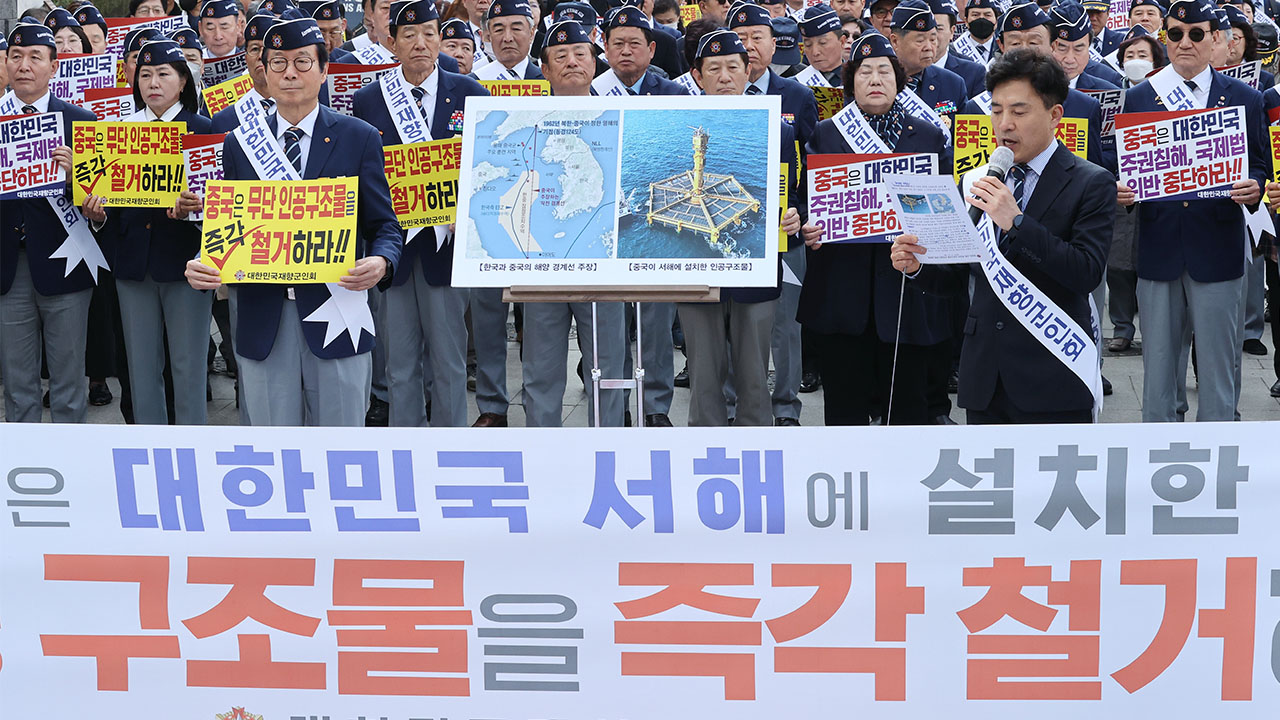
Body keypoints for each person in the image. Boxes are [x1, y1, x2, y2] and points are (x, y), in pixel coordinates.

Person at [184, 17, 403, 426]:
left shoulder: (359, 137)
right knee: (273, 451)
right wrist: (204, 260)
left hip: (337, 310)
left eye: (302, 62)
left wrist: (382, 262)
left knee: (341, 451)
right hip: (264, 315)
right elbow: (229, 225)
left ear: (324, 71)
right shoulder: (239, 144)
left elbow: (385, 226)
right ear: (263, 72)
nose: (289, 73)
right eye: (278, 63)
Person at [893, 49, 1114, 423]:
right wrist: (917, 267)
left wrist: (1018, 223)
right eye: (997, 111)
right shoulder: (979, 180)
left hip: (1054, 367)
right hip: (985, 375)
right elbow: (959, 275)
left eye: (1019, 111)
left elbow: (1085, 272)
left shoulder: (1090, 182)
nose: (1004, 124)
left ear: (1055, 115)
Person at [1118, 0, 1268, 422]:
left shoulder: (1244, 98)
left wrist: (1254, 185)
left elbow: (1260, 163)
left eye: (1196, 33)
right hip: (1159, 244)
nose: (1185, 42)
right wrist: (1123, 189)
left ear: (1216, 38)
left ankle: (1219, 447)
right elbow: (1123, 165)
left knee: (1220, 366)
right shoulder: (1140, 97)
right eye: (1175, 33)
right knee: (1159, 366)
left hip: (1218, 244)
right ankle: (1156, 448)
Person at [798, 32, 950, 426]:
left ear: (899, 82)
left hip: (905, 294)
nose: (876, 79)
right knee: (845, 415)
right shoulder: (827, 134)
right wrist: (808, 226)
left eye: (885, 71)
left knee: (906, 412)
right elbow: (804, 201)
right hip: (842, 295)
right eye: (865, 72)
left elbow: (944, 210)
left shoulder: (928, 137)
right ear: (851, 84)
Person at [352, 0, 488, 428]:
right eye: (408, 35)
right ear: (391, 41)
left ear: (440, 38)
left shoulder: (470, 94)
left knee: (449, 361)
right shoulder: (369, 99)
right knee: (399, 361)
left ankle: (450, 446)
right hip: (392, 248)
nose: (420, 43)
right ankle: (405, 448)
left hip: (444, 247)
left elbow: (487, 170)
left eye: (429, 33)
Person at [677, 28, 801, 427]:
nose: (725, 77)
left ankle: (757, 444)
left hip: (756, 267)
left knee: (753, 372)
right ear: (698, 76)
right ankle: (704, 444)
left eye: (734, 67)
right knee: (703, 371)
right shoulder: (681, 127)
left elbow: (793, 192)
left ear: (750, 71)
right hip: (695, 267)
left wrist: (795, 216)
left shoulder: (779, 130)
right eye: (714, 69)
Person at [89, 40, 212, 425]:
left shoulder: (202, 131)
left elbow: (223, 207)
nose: (153, 82)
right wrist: (99, 215)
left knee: (188, 367)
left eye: (163, 74)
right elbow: (110, 205)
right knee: (141, 371)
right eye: (144, 74)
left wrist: (194, 209)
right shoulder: (117, 133)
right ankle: (149, 452)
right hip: (132, 265)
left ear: (182, 81)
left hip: (185, 266)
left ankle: (194, 451)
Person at [519, 19, 628, 427]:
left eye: (580, 54)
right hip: (540, 263)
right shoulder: (521, 120)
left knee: (608, 368)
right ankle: (543, 451)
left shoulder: (622, 115)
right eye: (559, 56)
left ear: (595, 64)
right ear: (544, 70)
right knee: (541, 370)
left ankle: (608, 449)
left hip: (603, 262)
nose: (571, 62)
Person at [1, 24, 104, 423]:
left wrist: (79, 180)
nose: (24, 66)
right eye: (16, 56)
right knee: (18, 380)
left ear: (53, 66)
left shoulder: (81, 121)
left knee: (68, 379)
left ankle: (70, 467)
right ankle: (21, 470)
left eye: (35, 58)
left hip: (67, 262)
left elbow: (101, 206)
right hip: (8, 265)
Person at [963, 2, 1111, 175]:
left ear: (1053, 46)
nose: (1025, 51)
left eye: (1034, 42)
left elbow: (1094, 173)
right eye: (1016, 43)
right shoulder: (976, 108)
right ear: (1001, 46)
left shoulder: (1084, 106)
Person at [888, 0, 967, 127]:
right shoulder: (875, 82)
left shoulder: (953, 84)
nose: (929, 47)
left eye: (933, 39)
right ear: (895, 41)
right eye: (920, 40)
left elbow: (962, 142)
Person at [930, 0, 986, 99]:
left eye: (938, 29)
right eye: (926, 29)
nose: (931, 36)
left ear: (952, 31)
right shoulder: (904, 71)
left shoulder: (973, 73)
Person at [474, 0, 543, 80]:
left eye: (516, 29)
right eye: (499, 30)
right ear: (490, 36)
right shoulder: (474, 82)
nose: (507, 38)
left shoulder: (550, 82)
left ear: (531, 34)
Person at [795, 3, 844, 87]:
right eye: (808, 44)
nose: (815, 52)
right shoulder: (795, 84)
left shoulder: (858, 80)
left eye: (822, 43)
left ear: (842, 41)